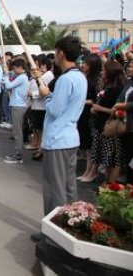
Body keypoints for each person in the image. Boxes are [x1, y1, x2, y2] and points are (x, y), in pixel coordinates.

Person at [31, 37, 87, 243]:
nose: (54, 55)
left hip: (58, 140)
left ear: (61, 53)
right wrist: (43, 84)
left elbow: (54, 108)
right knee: (69, 187)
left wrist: (46, 94)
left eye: (56, 51)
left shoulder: (65, 79)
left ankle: (54, 234)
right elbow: (61, 101)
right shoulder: (79, 76)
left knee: (54, 188)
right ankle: (71, 229)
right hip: (70, 138)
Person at [84, 60, 125, 183]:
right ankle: (106, 181)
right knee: (101, 155)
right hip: (100, 123)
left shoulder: (118, 89)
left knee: (111, 158)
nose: (102, 72)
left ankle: (110, 183)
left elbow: (115, 109)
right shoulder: (107, 87)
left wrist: (99, 108)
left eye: (105, 70)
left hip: (109, 126)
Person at [75, 53, 102, 180]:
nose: (83, 65)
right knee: (86, 145)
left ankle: (91, 172)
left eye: (86, 63)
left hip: (90, 114)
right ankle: (86, 171)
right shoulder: (83, 77)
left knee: (91, 146)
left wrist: (81, 101)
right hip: (82, 113)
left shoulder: (97, 80)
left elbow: (96, 99)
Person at [26, 55, 54, 161]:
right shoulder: (41, 75)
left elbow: (44, 90)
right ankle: (39, 148)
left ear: (43, 65)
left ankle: (41, 149)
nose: (35, 66)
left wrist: (32, 93)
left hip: (42, 106)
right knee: (38, 128)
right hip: (37, 105)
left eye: (37, 63)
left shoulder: (48, 75)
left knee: (42, 129)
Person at [3, 58, 30, 164]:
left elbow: (9, 85)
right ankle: (17, 153)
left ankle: (18, 155)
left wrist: (5, 76)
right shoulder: (21, 76)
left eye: (14, 68)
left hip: (18, 106)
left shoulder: (22, 77)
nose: (13, 70)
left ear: (20, 67)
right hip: (17, 105)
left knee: (17, 132)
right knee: (16, 131)